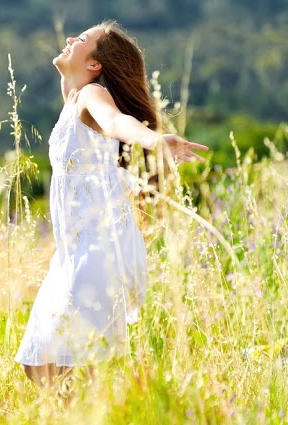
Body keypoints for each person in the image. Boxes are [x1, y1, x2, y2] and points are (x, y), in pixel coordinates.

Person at [13, 20, 208, 391]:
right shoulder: (73, 100)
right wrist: (69, 77)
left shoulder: (93, 97)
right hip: (74, 255)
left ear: (95, 66)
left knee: (71, 366)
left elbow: (118, 122)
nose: (70, 39)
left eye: (82, 40)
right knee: (39, 364)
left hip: (99, 251)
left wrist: (153, 140)